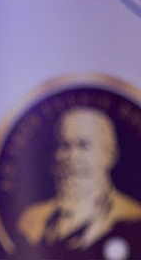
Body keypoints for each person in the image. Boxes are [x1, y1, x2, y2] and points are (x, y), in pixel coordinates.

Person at [17, 106, 141, 249]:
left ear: (110, 154)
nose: (71, 157)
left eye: (83, 146)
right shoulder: (31, 221)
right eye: (65, 145)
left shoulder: (133, 217)